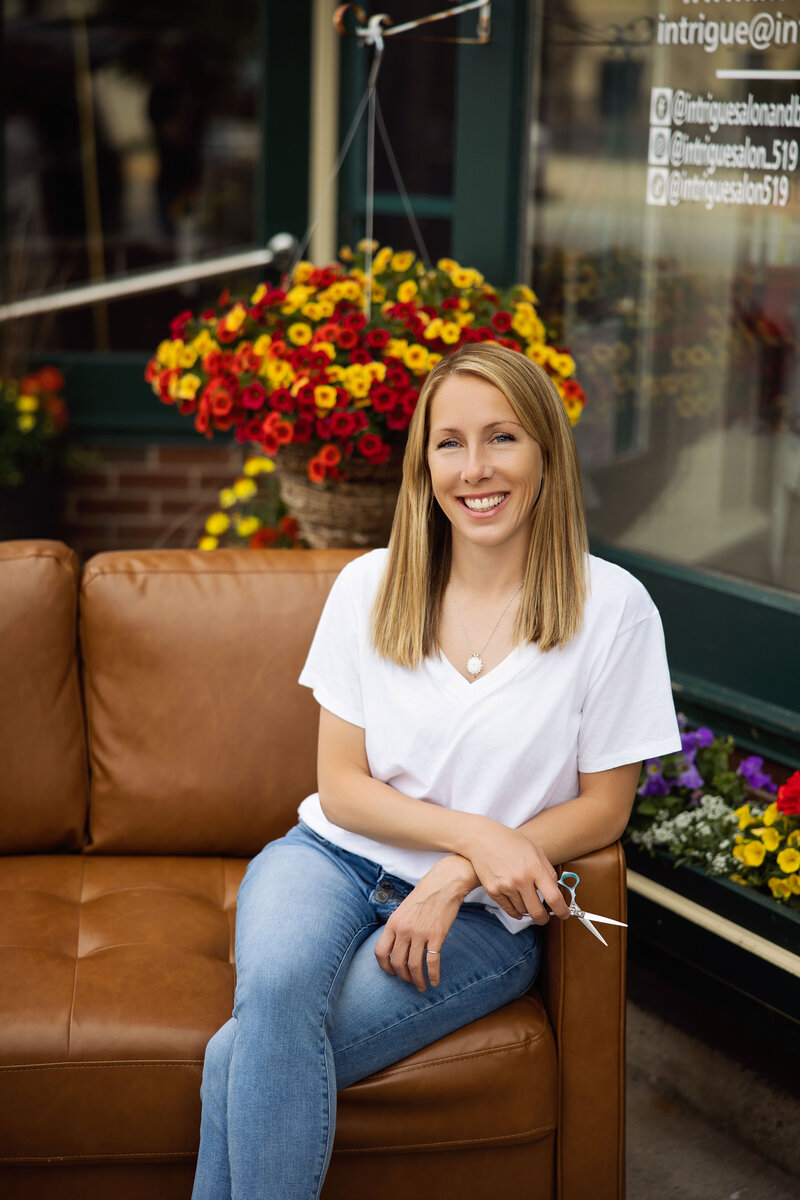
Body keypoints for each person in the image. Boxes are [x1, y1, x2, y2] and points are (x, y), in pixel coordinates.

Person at [191, 341, 681, 1199]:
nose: (475, 468)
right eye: (449, 442)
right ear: (424, 461)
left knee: (239, 1053)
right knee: (272, 992)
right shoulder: (368, 587)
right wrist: (475, 837)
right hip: (330, 861)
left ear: (545, 454)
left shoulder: (613, 609)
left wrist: (462, 872)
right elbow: (343, 787)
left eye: (503, 438)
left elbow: (607, 806)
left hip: (486, 921)